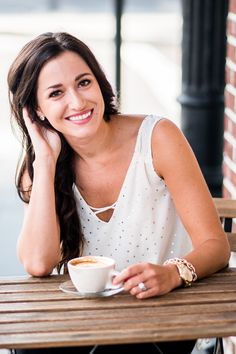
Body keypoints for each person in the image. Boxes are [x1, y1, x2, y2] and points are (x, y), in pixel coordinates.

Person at [8, 32, 230, 354]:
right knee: (29, 348)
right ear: (36, 111)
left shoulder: (157, 138)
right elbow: (38, 263)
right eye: (56, 93)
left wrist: (172, 273)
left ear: (99, 83)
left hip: (161, 317)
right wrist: (44, 161)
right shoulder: (44, 163)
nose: (78, 102)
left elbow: (215, 245)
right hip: (86, 321)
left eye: (84, 83)